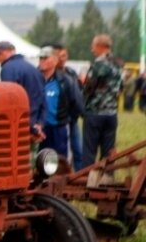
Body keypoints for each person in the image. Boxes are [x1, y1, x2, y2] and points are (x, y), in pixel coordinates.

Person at [82, 34, 122, 173]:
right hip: (111, 114)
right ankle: (107, 180)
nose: (92, 49)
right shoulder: (118, 64)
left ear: (101, 46)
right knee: (108, 152)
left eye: (93, 46)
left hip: (95, 113)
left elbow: (89, 88)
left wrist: (83, 86)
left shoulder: (99, 65)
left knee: (89, 150)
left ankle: (85, 180)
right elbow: (119, 87)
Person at [38, 46, 83, 160]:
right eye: (40, 58)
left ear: (54, 61)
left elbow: (76, 103)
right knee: (38, 163)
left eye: (45, 58)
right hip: (39, 130)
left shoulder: (65, 81)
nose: (42, 61)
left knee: (60, 161)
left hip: (58, 128)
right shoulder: (34, 78)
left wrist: (66, 119)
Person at [0, 41, 45, 142]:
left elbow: (10, 100)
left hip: (20, 125)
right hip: (35, 126)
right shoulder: (34, 69)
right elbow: (43, 100)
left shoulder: (7, 69)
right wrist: (39, 125)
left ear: (1, 53)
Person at [56, 45, 84, 169]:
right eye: (59, 56)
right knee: (62, 153)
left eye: (64, 56)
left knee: (78, 150)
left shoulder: (71, 73)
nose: (62, 59)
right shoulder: (50, 75)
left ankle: (79, 177)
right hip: (61, 119)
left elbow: (78, 94)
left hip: (73, 118)